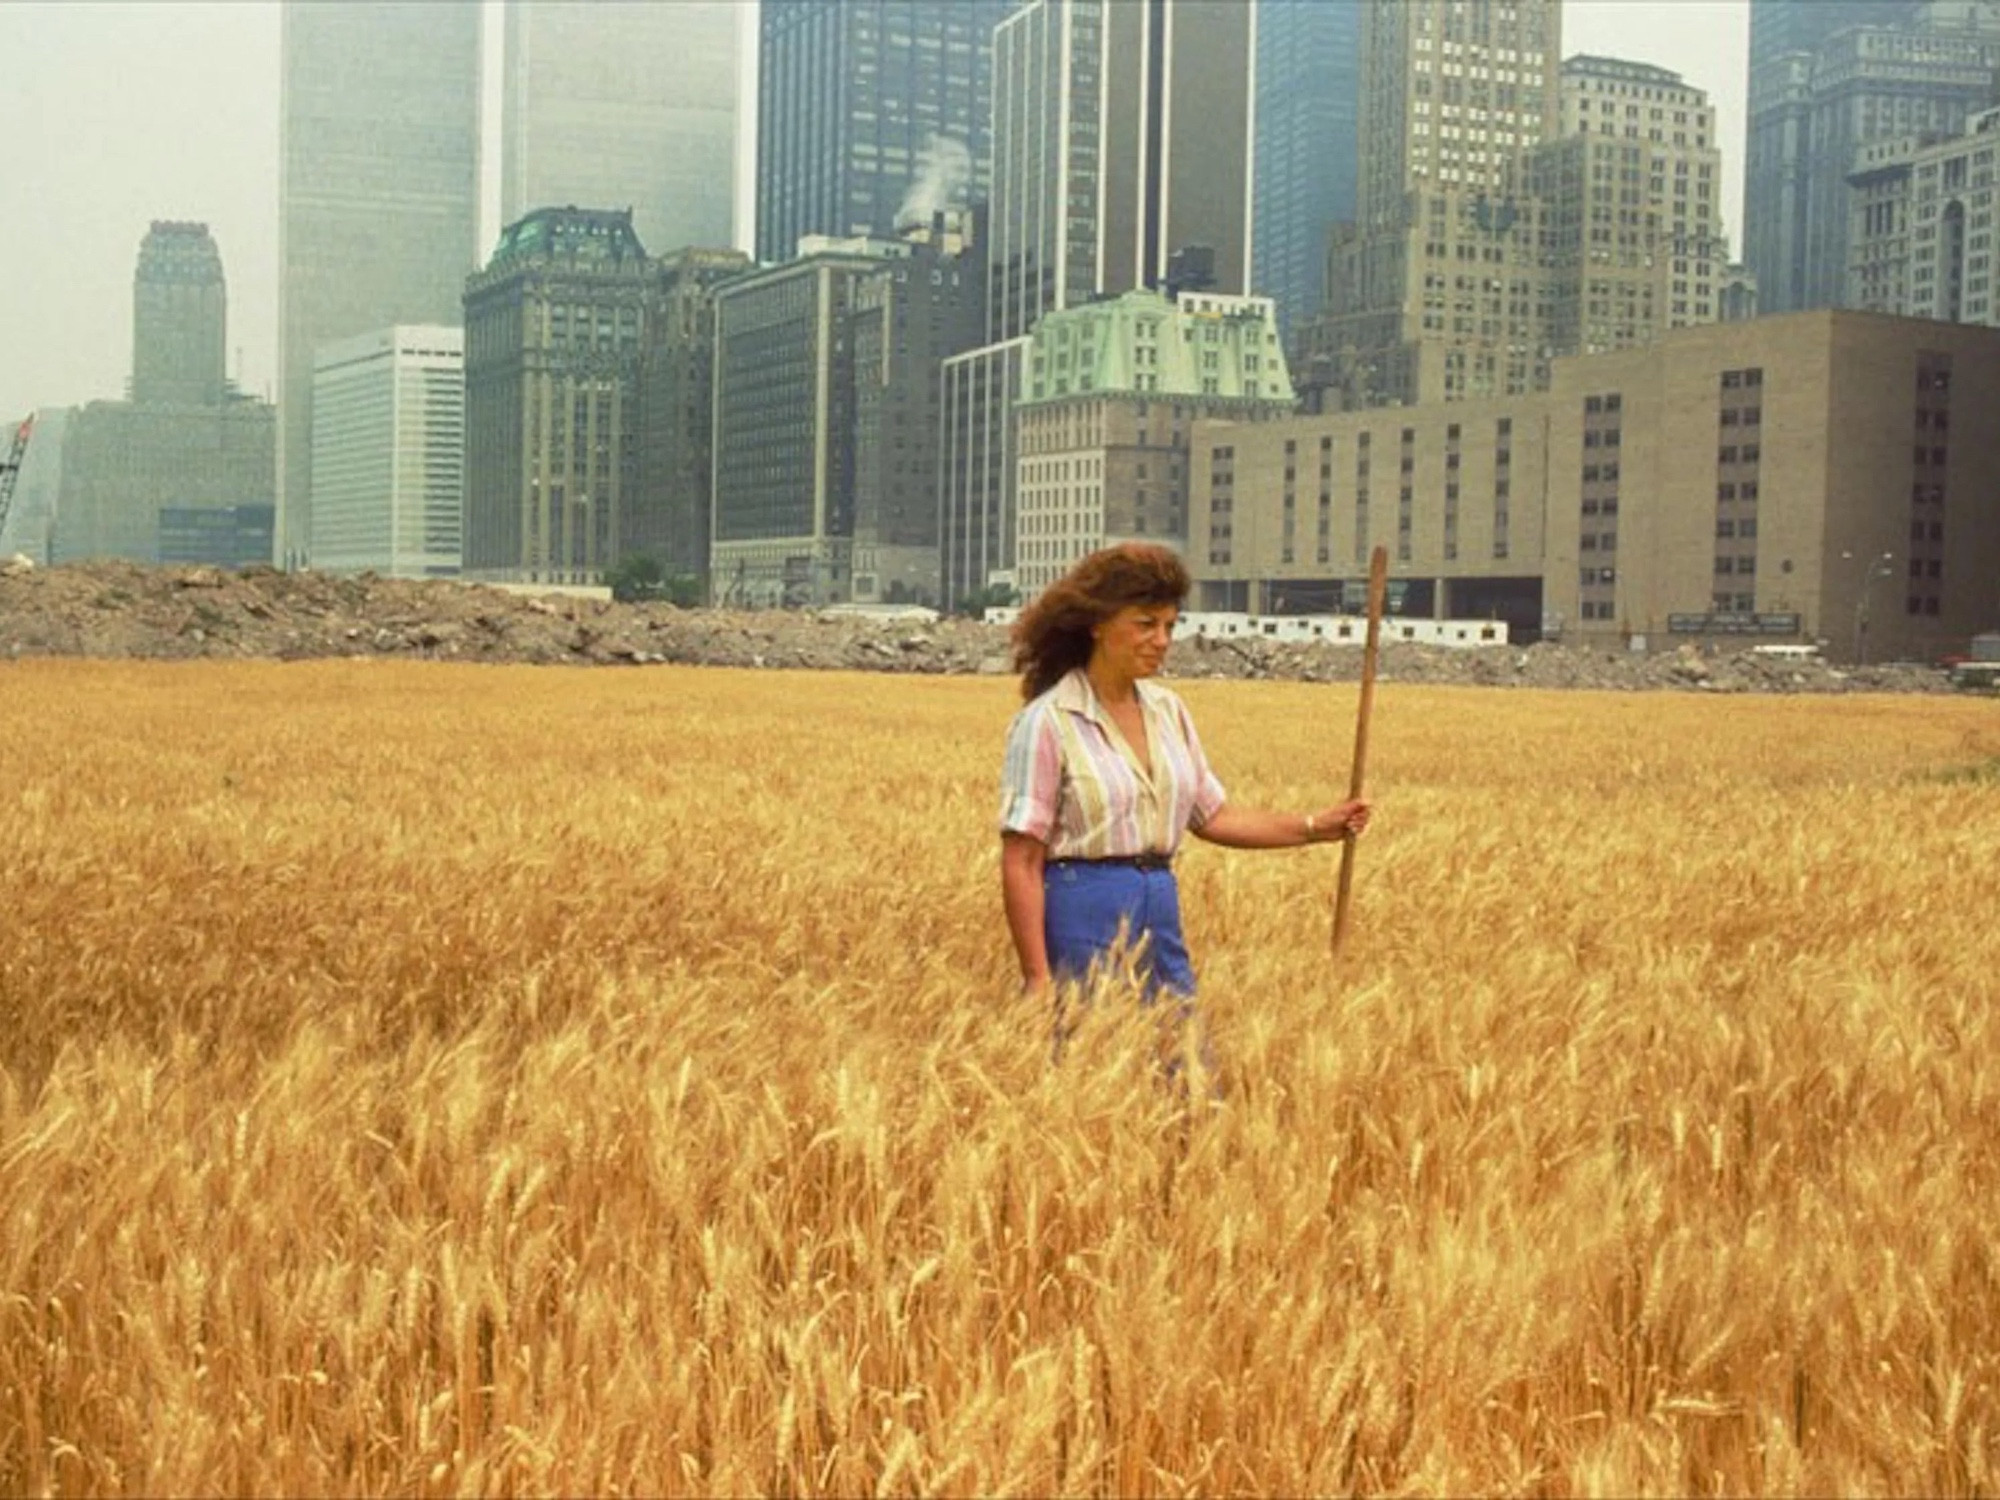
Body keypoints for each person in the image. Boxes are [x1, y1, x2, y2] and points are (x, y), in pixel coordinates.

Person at [997, 543, 1372, 1043]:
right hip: (1082, 906)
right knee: (1087, 1062)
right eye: (1146, 623)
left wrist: (1313, 828)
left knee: (1183, 1065)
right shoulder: (1047, 721)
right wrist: (1037, 977)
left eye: (1170, 626)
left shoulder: (1168, 711)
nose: (1162, 640)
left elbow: (1212, 816)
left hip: (1159, 906)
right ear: (1098, 623)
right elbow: (1021, 859)